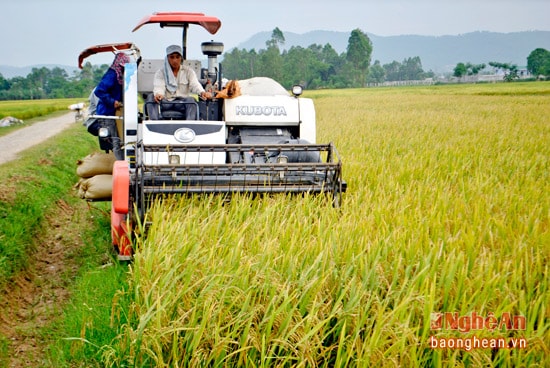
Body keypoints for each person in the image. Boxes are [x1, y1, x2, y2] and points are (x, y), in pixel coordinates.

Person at [146, 44, 212, 120]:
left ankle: (189, 127)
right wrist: (159, 94)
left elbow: (195, 84)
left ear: (181, 58)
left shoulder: (188, 71)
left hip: (182, 103)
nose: (175, 60)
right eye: (172, 57)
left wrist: (202, 92)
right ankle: (154, 126)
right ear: (167, 58)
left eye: (177, 57)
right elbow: (159, 86)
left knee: (191, 100)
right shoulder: (161, 72)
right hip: (165, 102)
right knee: (151, 97)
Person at [88, 53, 131, 135]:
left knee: (119, 137)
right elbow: (99, 91)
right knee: (114, 138)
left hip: (114, 112)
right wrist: (112, 102)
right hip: (106, 112)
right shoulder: (111, 75)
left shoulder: (119, 76)